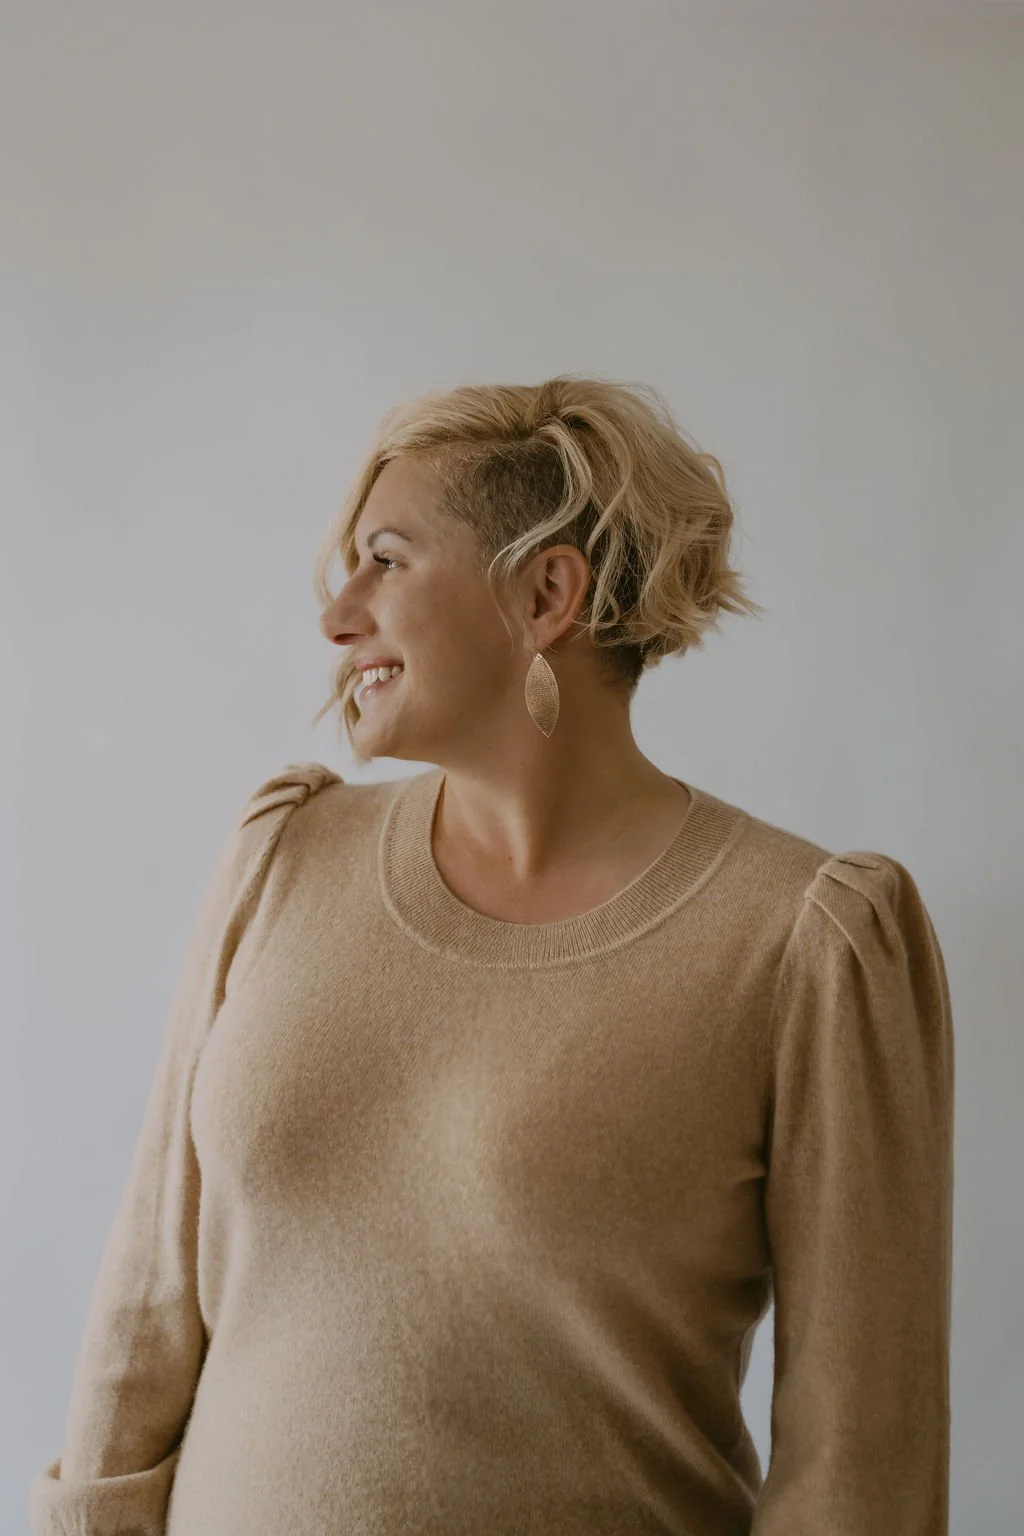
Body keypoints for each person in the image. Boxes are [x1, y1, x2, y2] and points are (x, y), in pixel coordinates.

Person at [29, 375, 955, 1535]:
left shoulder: (804, 940)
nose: (336, 616)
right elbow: (148, 1303)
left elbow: (859, 1463)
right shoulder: (285, 857)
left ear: (545, 592)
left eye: (386, 560)